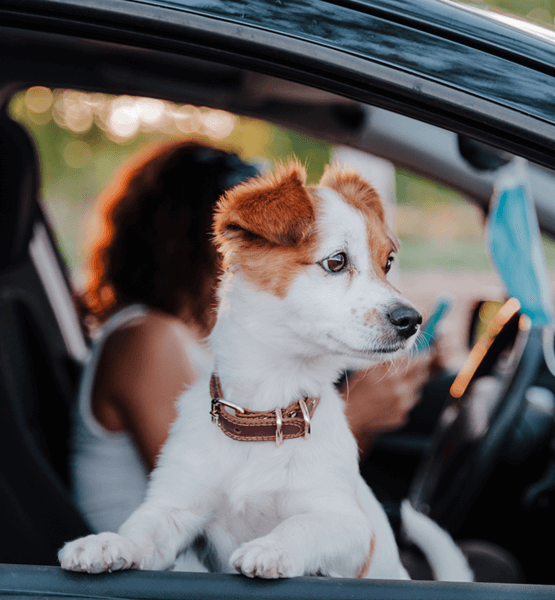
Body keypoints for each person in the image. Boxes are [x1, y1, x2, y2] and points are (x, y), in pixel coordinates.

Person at [70, 139, 453, 575]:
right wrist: (356, 412)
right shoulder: (147, 339)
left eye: (381, 264)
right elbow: (223, 510)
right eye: (336, 263)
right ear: (205, 238)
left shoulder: (198, 344)